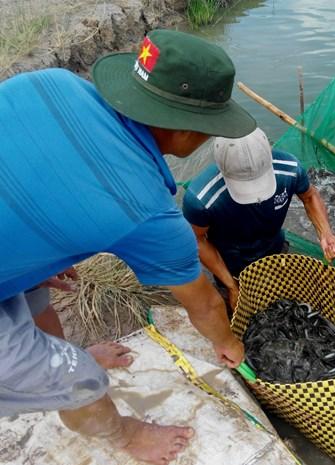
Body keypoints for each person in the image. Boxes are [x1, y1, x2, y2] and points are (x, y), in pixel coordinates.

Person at [0, 29, 256, 465]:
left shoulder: (51, 82)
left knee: (35, 293)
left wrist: (26, 257)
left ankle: (59, 336)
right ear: (183, 132)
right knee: (79, 380)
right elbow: (204, 306)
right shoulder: (145, 209)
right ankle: (125, 436)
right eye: (209, 129)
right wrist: (228, 342)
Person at [182, 127, 335, 309]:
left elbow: (310, 196)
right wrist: (231, 286)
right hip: (231, 263)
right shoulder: (201, 199)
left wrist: (325, 233)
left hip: (275, 248)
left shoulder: (290, 170)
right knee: (234, 308)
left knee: (284, 303)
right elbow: (197, 240)